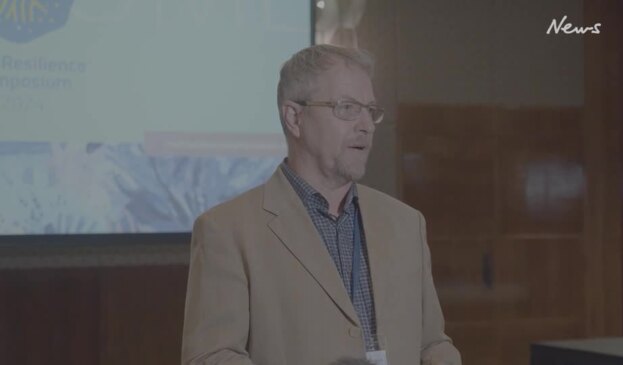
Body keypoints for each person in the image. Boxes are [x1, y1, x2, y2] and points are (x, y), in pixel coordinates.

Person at [181, 44, 461, 365]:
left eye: (370, 110)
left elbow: (432, 344)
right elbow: (211, 357)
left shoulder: (407, 223)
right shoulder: (227, 230)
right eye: (347, 107)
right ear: (295, 118)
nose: (366, 125)